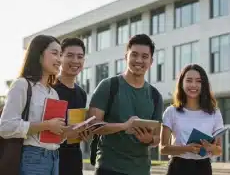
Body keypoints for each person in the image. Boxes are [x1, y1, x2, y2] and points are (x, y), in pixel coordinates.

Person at [88, 34, 164, 175]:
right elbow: (92, 126)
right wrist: (124, 126)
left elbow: (157, 138)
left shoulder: (155, 96)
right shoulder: (108, 86)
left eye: (144, 57)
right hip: (109, 169)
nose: (139, 60)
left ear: (151, 61)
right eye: (134, 55)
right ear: (126, 56)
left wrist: (149, 139)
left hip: (141, 170)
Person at [0, 35, 65, 175]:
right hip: (32, 159)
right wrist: (47, 125)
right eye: (54, 53)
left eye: (61, 55)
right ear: (39, 54)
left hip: (54, 158)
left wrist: (66, 131)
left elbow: (52, 134)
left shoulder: (53, 93)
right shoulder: (22, 85)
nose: (60, 60)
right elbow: (5, 127)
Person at [160, 64, 224, 175]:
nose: (193, 85)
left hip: (203, 168)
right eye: (189, 80)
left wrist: (210, 147)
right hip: (178, 168)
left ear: (203, 84)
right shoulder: (171, 112)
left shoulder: (214, 113)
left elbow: (219, 150)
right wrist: (187, 149)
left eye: (198, 81)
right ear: (181, 83)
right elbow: (163, 149)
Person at [53, 37, 90, 175]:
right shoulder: (50, 88)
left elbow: (76, 129)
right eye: (70, 55)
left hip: (74, 160)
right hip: (52, 160)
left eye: (80, 57)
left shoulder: (81, 93)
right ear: (60, 57)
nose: (75, 61)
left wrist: (84, 133)